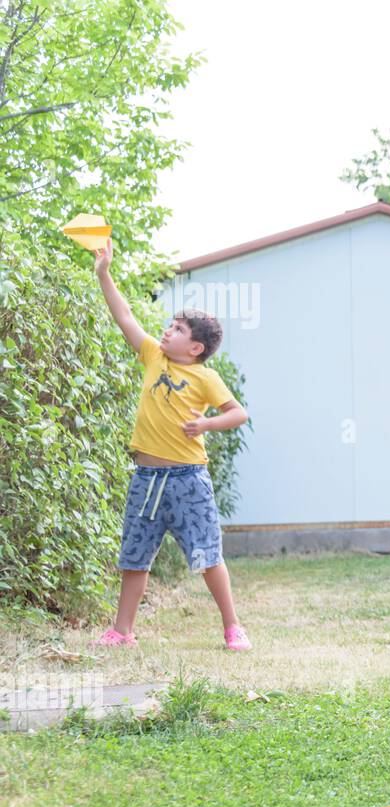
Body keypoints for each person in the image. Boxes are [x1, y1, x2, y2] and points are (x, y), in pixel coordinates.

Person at [91, 238, 252, 651]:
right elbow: (124, 314)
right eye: (170, 325)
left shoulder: (205, 377)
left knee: (207, 556)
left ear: (195, 348)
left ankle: (233, 627)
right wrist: (104, 273)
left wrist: (205, 423)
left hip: (188, 481)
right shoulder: (152, 356)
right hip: (147, 478)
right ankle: (122, 631)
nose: (167, 330)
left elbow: (238, 413)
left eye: (177, 329)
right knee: (134, 556)